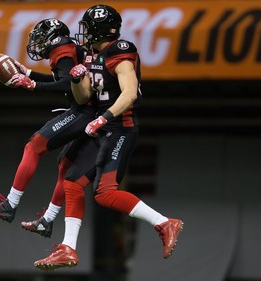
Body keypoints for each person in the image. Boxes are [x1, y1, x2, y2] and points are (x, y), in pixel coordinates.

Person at [33, 4, 184, 271]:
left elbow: (129, 93)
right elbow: (84, 97)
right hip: (101, 129)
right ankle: (68, 248)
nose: (84, 32)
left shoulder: (121, 51)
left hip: (119, 128)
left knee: (104, 194)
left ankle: (164, 222)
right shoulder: (92, 54)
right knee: (72, 183)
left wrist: (104, 118)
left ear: (102, 29)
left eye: (89, 27)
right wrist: (78, 80)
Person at [0, 18, 97, 239]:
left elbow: (65, 83)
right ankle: (48, 220)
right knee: (65, 166)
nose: (39, 44)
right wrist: (29, 73)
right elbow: (64, 78)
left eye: (41, 38)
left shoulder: (61, 45)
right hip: (90, 112)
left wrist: (33, 86)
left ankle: (9, 206)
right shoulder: (71, 48)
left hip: (84, 111)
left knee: (34, 146)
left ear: (54, 36)